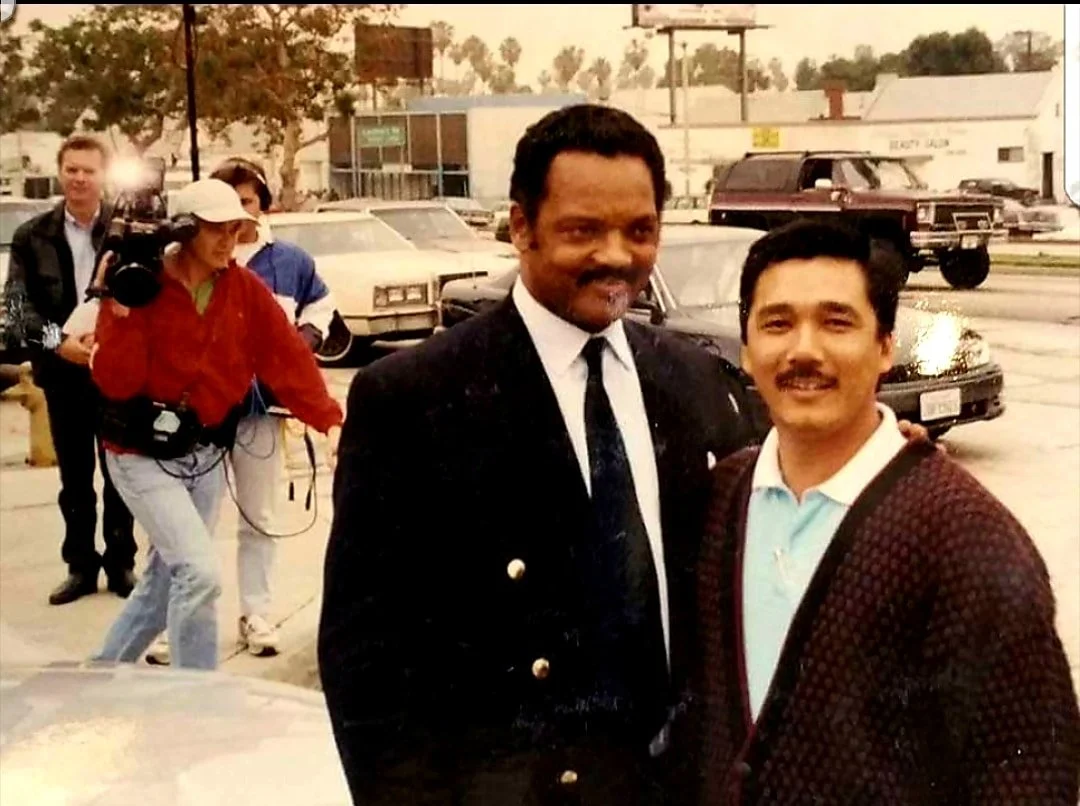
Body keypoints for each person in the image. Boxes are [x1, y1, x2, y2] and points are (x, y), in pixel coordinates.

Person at [318, 103, 753, 805]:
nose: (617, 255)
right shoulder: (413, 398)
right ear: (520, 226)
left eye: (639, 230)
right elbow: (366, 662)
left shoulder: (690, 379)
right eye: (584, 229)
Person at [682, 220, 1080, 804]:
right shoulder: (720, 499)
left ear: (886, 345)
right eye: (777, 323)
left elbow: (1027, 772)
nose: (804, 350)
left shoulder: (966, 536)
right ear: (745, 349)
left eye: (837, 322)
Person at [88, 178, 343, 671]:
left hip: (203, 453)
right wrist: (118, 312)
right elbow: (116, 383)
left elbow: (287, 358)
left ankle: (97, 676)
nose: (230, 240)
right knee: (200, 574)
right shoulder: (142, 285)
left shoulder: (243, 289)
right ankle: (200, 700)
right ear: (184, 231)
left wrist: (330, 422)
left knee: (168, 581)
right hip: (139, 453)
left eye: (236, 229)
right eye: (217, 230)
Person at [2, 134, 137, 605]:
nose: (79, 178)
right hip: (62, 373)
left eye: (89, 170)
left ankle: (122, 563)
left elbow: (149, 298)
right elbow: (17, 312)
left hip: (118, 369)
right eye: (71, 169)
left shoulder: (127, 233)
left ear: (104, 176)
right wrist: (60, 344)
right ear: (60, 173)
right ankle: (80, 566)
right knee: (75, 478)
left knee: (122, 473)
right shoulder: (31, 236)